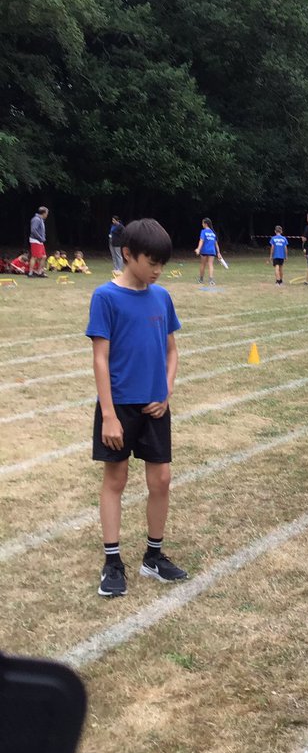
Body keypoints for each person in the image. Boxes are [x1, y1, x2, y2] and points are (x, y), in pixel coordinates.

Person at [85, 218, 187, 598]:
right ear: (128, 255)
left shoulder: (162, 296)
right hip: (119, 409)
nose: (157, 270)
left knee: (161, 480)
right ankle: (112, 561)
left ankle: (153, 556)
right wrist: (109, 416)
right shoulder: (105, 297)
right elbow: (100, 358)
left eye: (162, 263)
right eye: (151, 262)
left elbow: (171, 350)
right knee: (116, 480)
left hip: (155, 408)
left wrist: (167, 390)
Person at [194, 218, 222, 285]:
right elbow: (216, 244)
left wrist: (198, 249)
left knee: (203, 265)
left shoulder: (203, 231)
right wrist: (218, 252)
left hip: (205, 250)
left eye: (202, 223)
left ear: (205, 224)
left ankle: (201, 280)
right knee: (210, 264)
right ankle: (211, 280)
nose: (202, 224)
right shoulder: (213, 233)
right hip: (212, 251)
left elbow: (201, 240)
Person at [28, 207, 49, 277]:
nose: (47, 215)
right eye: (46, 213)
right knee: (34, 257)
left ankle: (39, 271)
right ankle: (30, 273)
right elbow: (33, 230)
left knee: (43, 256)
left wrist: (42, 238)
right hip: (35, 240)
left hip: (40, 241)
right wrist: (40, 238)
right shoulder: (36, 219)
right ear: (43, 213)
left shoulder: (41, 220)